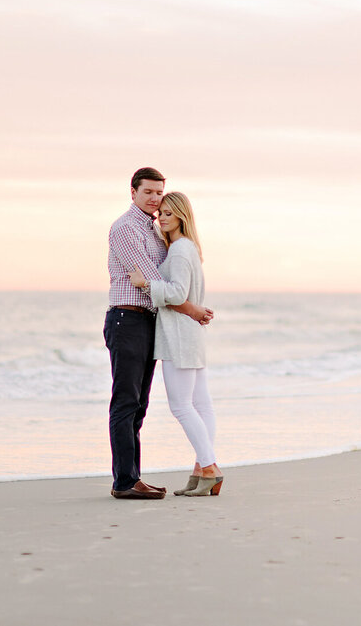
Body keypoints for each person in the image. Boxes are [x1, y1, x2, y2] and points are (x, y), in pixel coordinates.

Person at [104, 168, 212, 500]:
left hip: (149, 323)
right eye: (148, 192)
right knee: (126, 402)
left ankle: (133, 476)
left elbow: (167, 282)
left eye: (158, 193)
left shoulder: (153, 230)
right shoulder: (125, 229)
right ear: (133, 192)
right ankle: (124, 481)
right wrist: (192, 310)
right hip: (127, 319)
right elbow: (153, 280)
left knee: (140, 405)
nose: (154, 198)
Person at [129, 191, 222, 496]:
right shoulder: (189, 248)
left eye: (169, 213)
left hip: (180, 336)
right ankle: (202, 470)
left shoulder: (180, 251)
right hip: (191, 334)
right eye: (161, 213)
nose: (162, 217)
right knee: (201, 404)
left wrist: (147, 284)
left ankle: (209, 468)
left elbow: (179, 293)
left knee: (181, 406)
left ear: (182, 215)